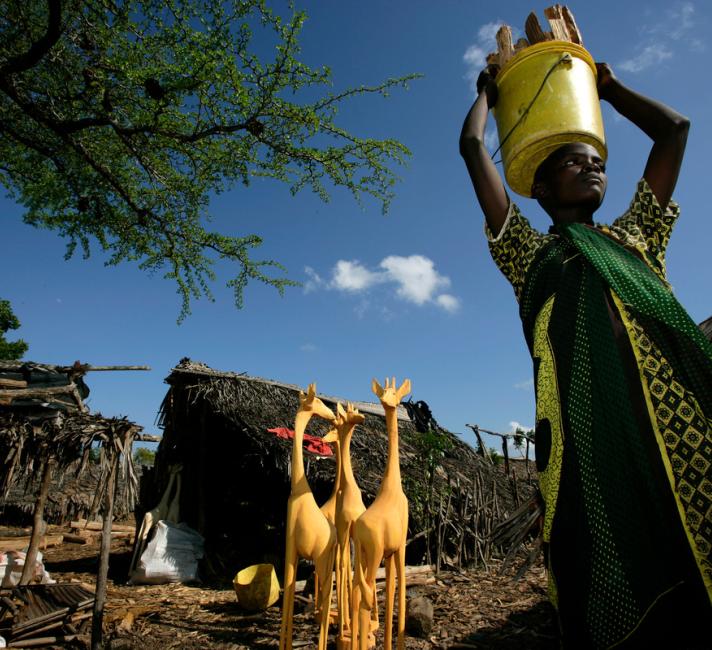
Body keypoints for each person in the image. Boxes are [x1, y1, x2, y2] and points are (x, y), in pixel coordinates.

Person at [460, 61, 712, 649]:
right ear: (541, 188)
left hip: (676, 424)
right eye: (573, 161)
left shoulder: (636, 238)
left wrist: (608, 88)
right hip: (587, 434)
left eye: (596, 161)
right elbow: (473, 147)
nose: (592, 166)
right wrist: (486, 97)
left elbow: (675, 130)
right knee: (603, 549)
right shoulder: (530, 258)